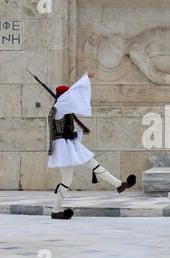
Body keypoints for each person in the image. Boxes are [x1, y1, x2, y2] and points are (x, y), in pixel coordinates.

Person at [47, 72, 136, 220]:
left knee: (92, 163)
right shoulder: (60, 106)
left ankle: (119, 184)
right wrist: (85, 77)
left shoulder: (60, 108)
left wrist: (80, 132)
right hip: (64, 148)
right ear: (63, 96)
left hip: (68, 145)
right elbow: (73, 94)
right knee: (67, 181)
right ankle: (55, 211)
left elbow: (66, 130)